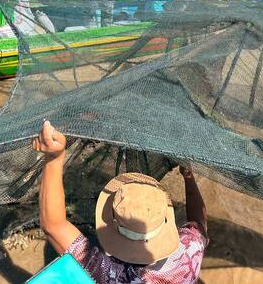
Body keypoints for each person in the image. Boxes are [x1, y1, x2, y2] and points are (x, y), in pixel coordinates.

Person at [32, 120, 208, 283]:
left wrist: (54, 158)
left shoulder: (110, 274)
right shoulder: (191, 250)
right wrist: (188, 175)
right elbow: (199, 221)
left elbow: (53, 226)